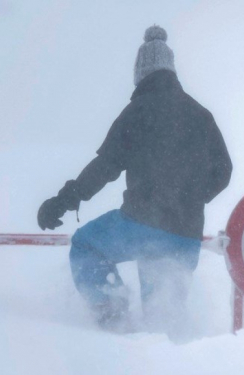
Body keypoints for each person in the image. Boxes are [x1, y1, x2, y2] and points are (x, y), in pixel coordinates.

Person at [37, 25, 233, 337]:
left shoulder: (138, 111)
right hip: (184, 235)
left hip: (140, 224)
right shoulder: (200, 114)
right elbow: (224, 170)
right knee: (164, 322)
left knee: (86, 245)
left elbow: (105, 167)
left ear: (140, 73)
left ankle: (114, 324)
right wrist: (189, 197)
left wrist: (64, 200)